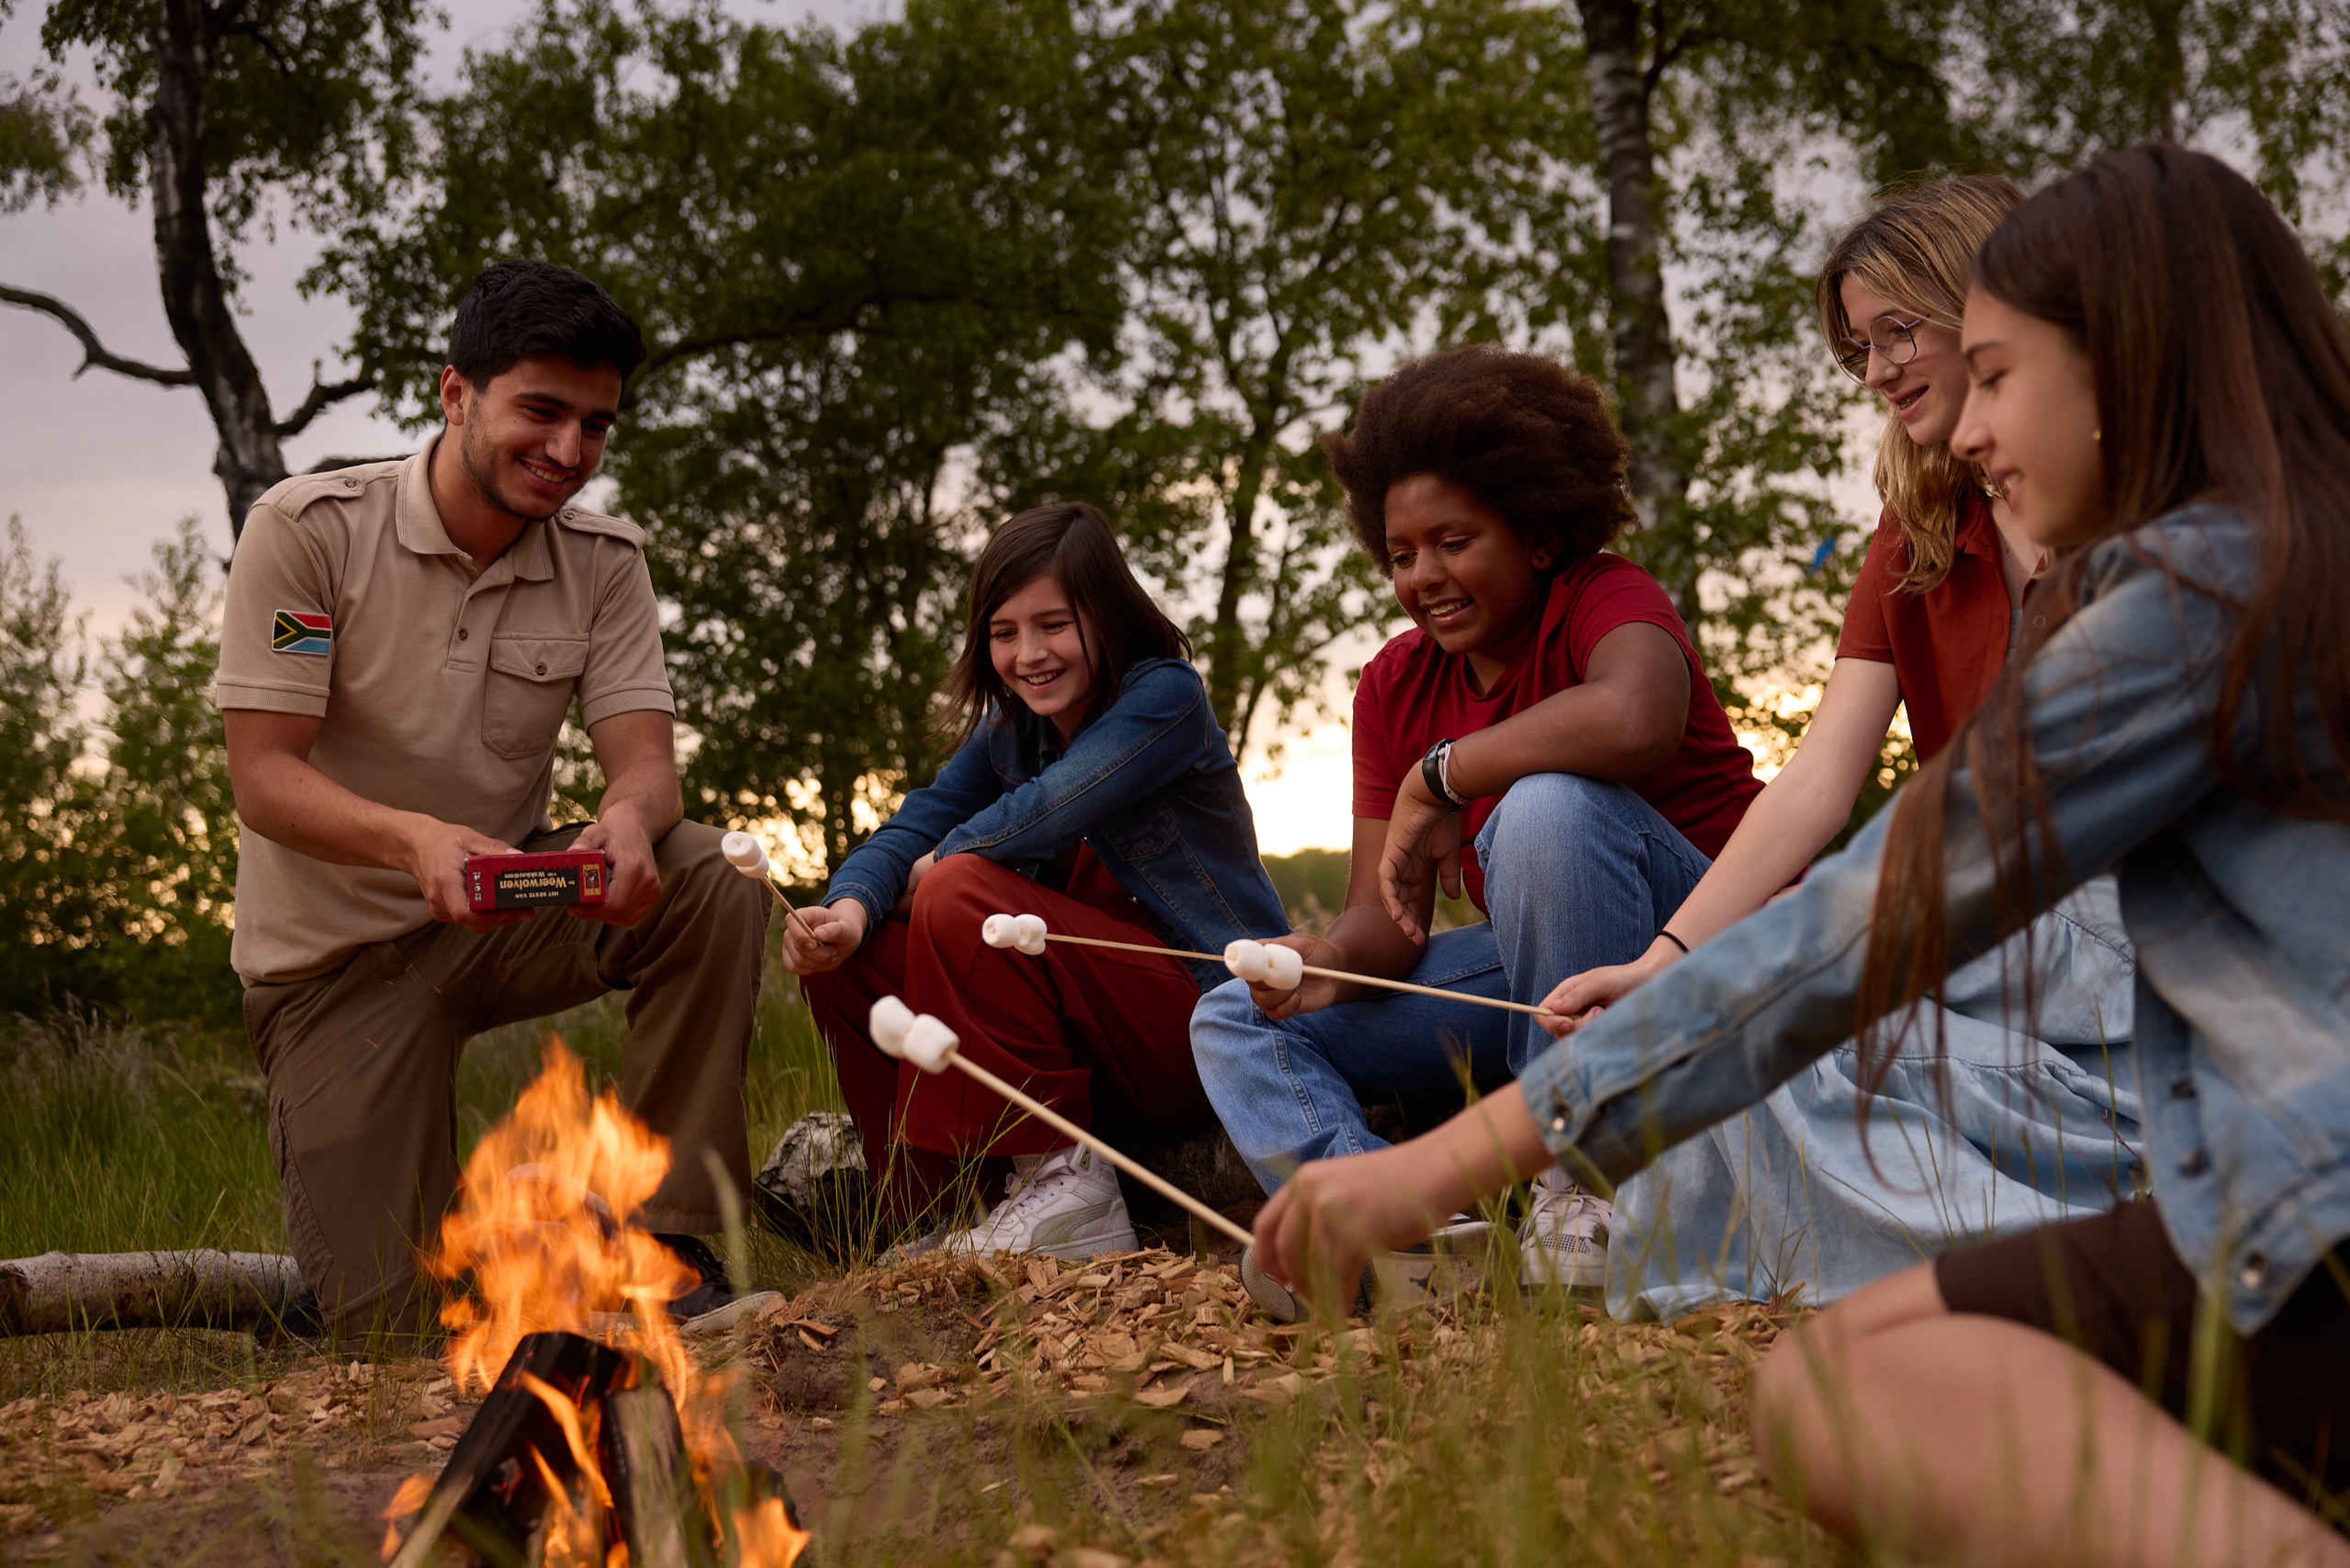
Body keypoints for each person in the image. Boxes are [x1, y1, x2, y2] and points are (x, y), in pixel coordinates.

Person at [1252, 146, 2350, 1567]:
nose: (1961, 427)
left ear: (2127, 362)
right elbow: (1834, 818)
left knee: (1847, 1385)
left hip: (2304, 1199)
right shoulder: (2248, 558)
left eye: (1991, 374)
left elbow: (1872, 911)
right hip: (2248, 1173)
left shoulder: (2195, 595)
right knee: (1858, 1368)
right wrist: (1660, 965)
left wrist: (1441, 1166)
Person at [1548, 174, 2141, 1318]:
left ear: (1990, 303)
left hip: (2131, 943)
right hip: (1988, 945)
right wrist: (1666, 960)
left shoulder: (2148, 501)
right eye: (1858, 348)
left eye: (1898, 330)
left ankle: (2078, 1253)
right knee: (1725, 1028)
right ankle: (2025, 1246)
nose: (1875, 370)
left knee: (1782, 1001)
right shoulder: (1919, 533)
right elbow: (1819, 779)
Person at [217, 260, 770, 1345]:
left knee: (712, 874)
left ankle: (669, 1240)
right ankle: (536, 1230)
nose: (570, 451)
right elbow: (264, 778)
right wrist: (413, 841)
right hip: (330, 969)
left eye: (597, 425)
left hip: (508, 911)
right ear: (456, 394)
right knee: (398, 1340)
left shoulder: (606, 563)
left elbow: (646, 766)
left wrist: (625, 821)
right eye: (542, 411)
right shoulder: (307, 531)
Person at [1189, 346, 1761, 1298]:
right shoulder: (1395, 682)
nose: (1425, 576)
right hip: (1546, 987)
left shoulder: (1606, 598)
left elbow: (1634, 717)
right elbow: (1389, 914)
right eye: (1402, 554)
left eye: (1454, 541)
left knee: (1547, 805)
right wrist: (1328, 959)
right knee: (1234, 1012)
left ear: (1536, 533)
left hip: (1712, 953)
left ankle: (1585, 1184)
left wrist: (1442, 776)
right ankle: (1396, 1235)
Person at [782, 502, 1288, 1260]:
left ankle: (1069, 1187)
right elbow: (912, 825)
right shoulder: (1011, 735)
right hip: (1092, 1047)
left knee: (960, 889)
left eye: (1054, 625)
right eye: (1004, 633)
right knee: (844, 959)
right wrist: (850, 909)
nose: (1029, 655)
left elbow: (1047, 809)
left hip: (1207, 1018)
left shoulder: (1165, 697)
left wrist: (935, 872)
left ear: (1106, 614)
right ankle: (952, 1209)